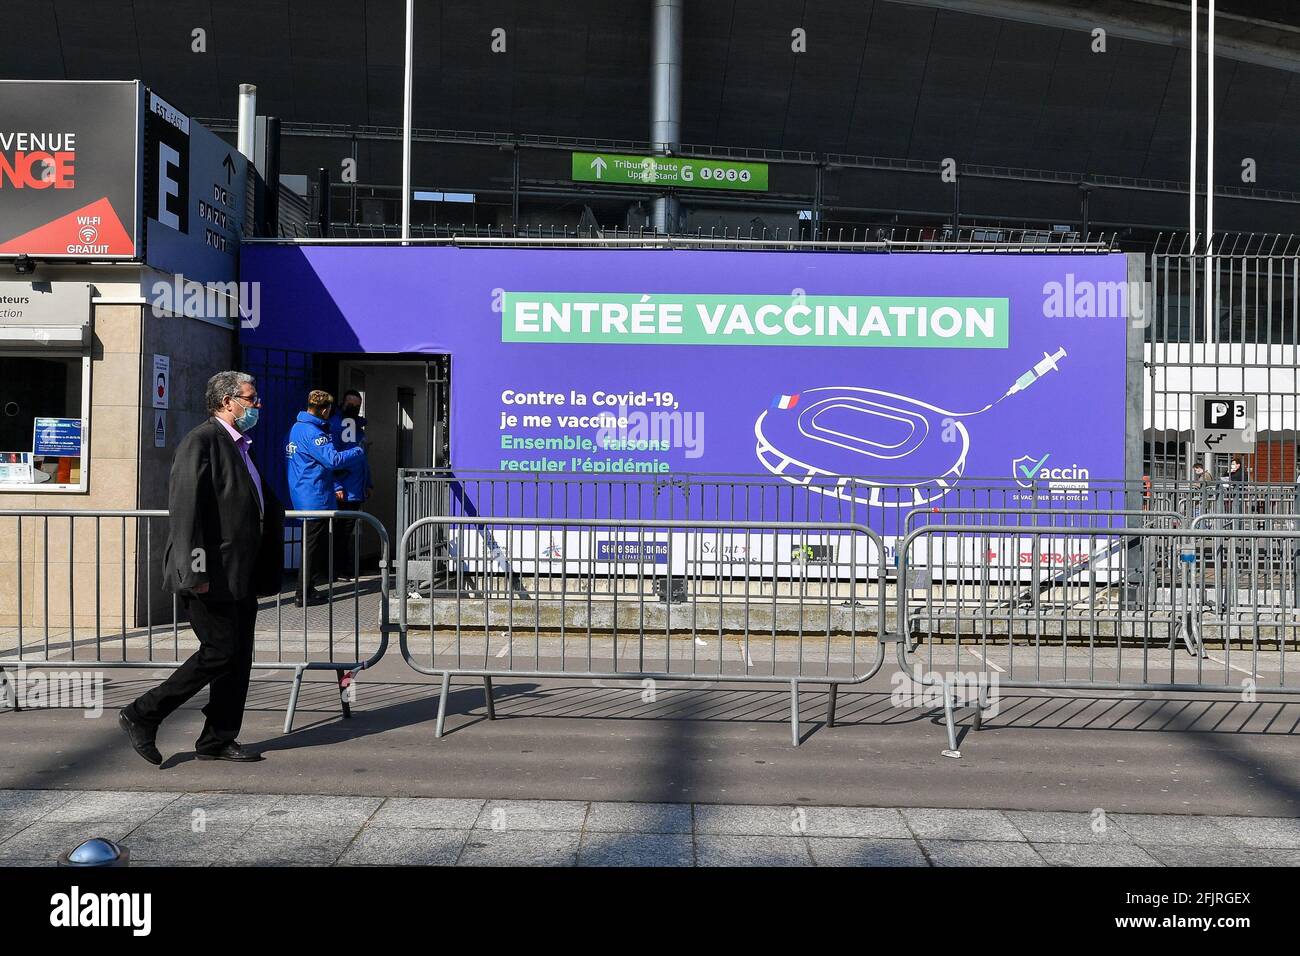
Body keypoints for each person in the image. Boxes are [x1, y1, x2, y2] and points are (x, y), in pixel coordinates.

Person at [118, 371, 284, 765]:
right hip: (212, 574)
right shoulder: (202, 441)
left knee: (238, 657)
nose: (256, 405)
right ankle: (143, 714)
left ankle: (218, 738)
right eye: (251, 398)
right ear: (228, 401)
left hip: (240, 574)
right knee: (219, 652)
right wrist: (195, 574)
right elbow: (187, 514)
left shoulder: (240, 445)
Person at [285, 389, 365, 606]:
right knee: (312, 548)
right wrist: (358, 451)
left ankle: (308, 588)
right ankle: (304, 593)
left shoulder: (297, 428)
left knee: (311, 546)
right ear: (326, 409)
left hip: (304, 493)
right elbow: (333, 460)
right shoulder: (314, 433)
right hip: (314, 496)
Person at [328, 389, 373, 579]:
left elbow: (363, 460)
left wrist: (368, 484)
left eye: (357, 405)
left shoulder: (358, 429)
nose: (354, 408)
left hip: (356, 488)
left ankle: (345, 568)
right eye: (351, 404)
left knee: (346, 531)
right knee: (340, 532)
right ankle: (337, 570)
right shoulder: (335, 425)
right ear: (342, 403)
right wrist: (336, 486)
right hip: (344, 489)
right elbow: (329, 459)